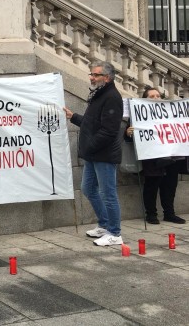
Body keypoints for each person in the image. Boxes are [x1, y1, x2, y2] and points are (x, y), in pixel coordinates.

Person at [63, 61, 124, 246]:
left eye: (96, 75)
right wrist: (73, 117)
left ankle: (115, 233)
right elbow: (92, 124)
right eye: (91, 74)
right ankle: (105, 225)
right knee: (88, 189)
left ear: (107, 77)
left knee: (108, 193)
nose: (91, 77)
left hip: (103, 155)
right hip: (94, 154)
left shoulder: (112, 97)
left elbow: (109, 131)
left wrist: (90, 146)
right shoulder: (99, 94)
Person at [125, 87, 187, 225]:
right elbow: (132, 137)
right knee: (151, 186)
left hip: (172, 157)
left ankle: (169, 213)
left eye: (158, 95)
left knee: (170, 186)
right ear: (145, 98)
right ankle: (151, 214)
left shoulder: (171, 113)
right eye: (151, 96)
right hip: (152, 158)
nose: (155, 98)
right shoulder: (138, 114)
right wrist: (128, 133)